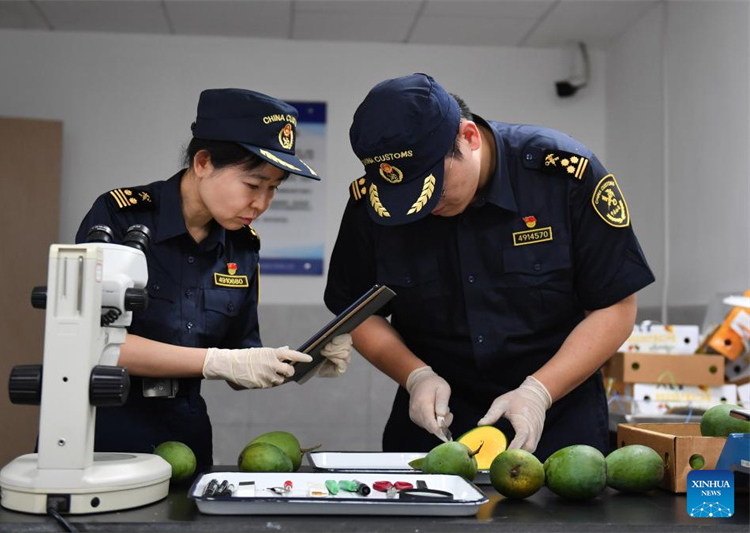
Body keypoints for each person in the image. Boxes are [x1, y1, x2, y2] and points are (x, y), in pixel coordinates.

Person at [324, 73, 654, 460]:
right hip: (434, 425)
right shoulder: (374, 202)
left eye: (433, 188)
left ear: (468, 137)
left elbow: (615, 306)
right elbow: (358, 311)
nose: (422, 208)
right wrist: (415, 376)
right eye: (405, 197)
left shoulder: (564, 176)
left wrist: (539, 392)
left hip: (558, 420)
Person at [76, 88, 353, 471]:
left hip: (185, 436)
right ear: (203, 162)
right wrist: (218, 361)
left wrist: (301, 361)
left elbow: (238, 363)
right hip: (103, 430)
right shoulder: (119, 217)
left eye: (273, 189)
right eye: (253, 185)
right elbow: (91, 341)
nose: (261, 203)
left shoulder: (242, 246)